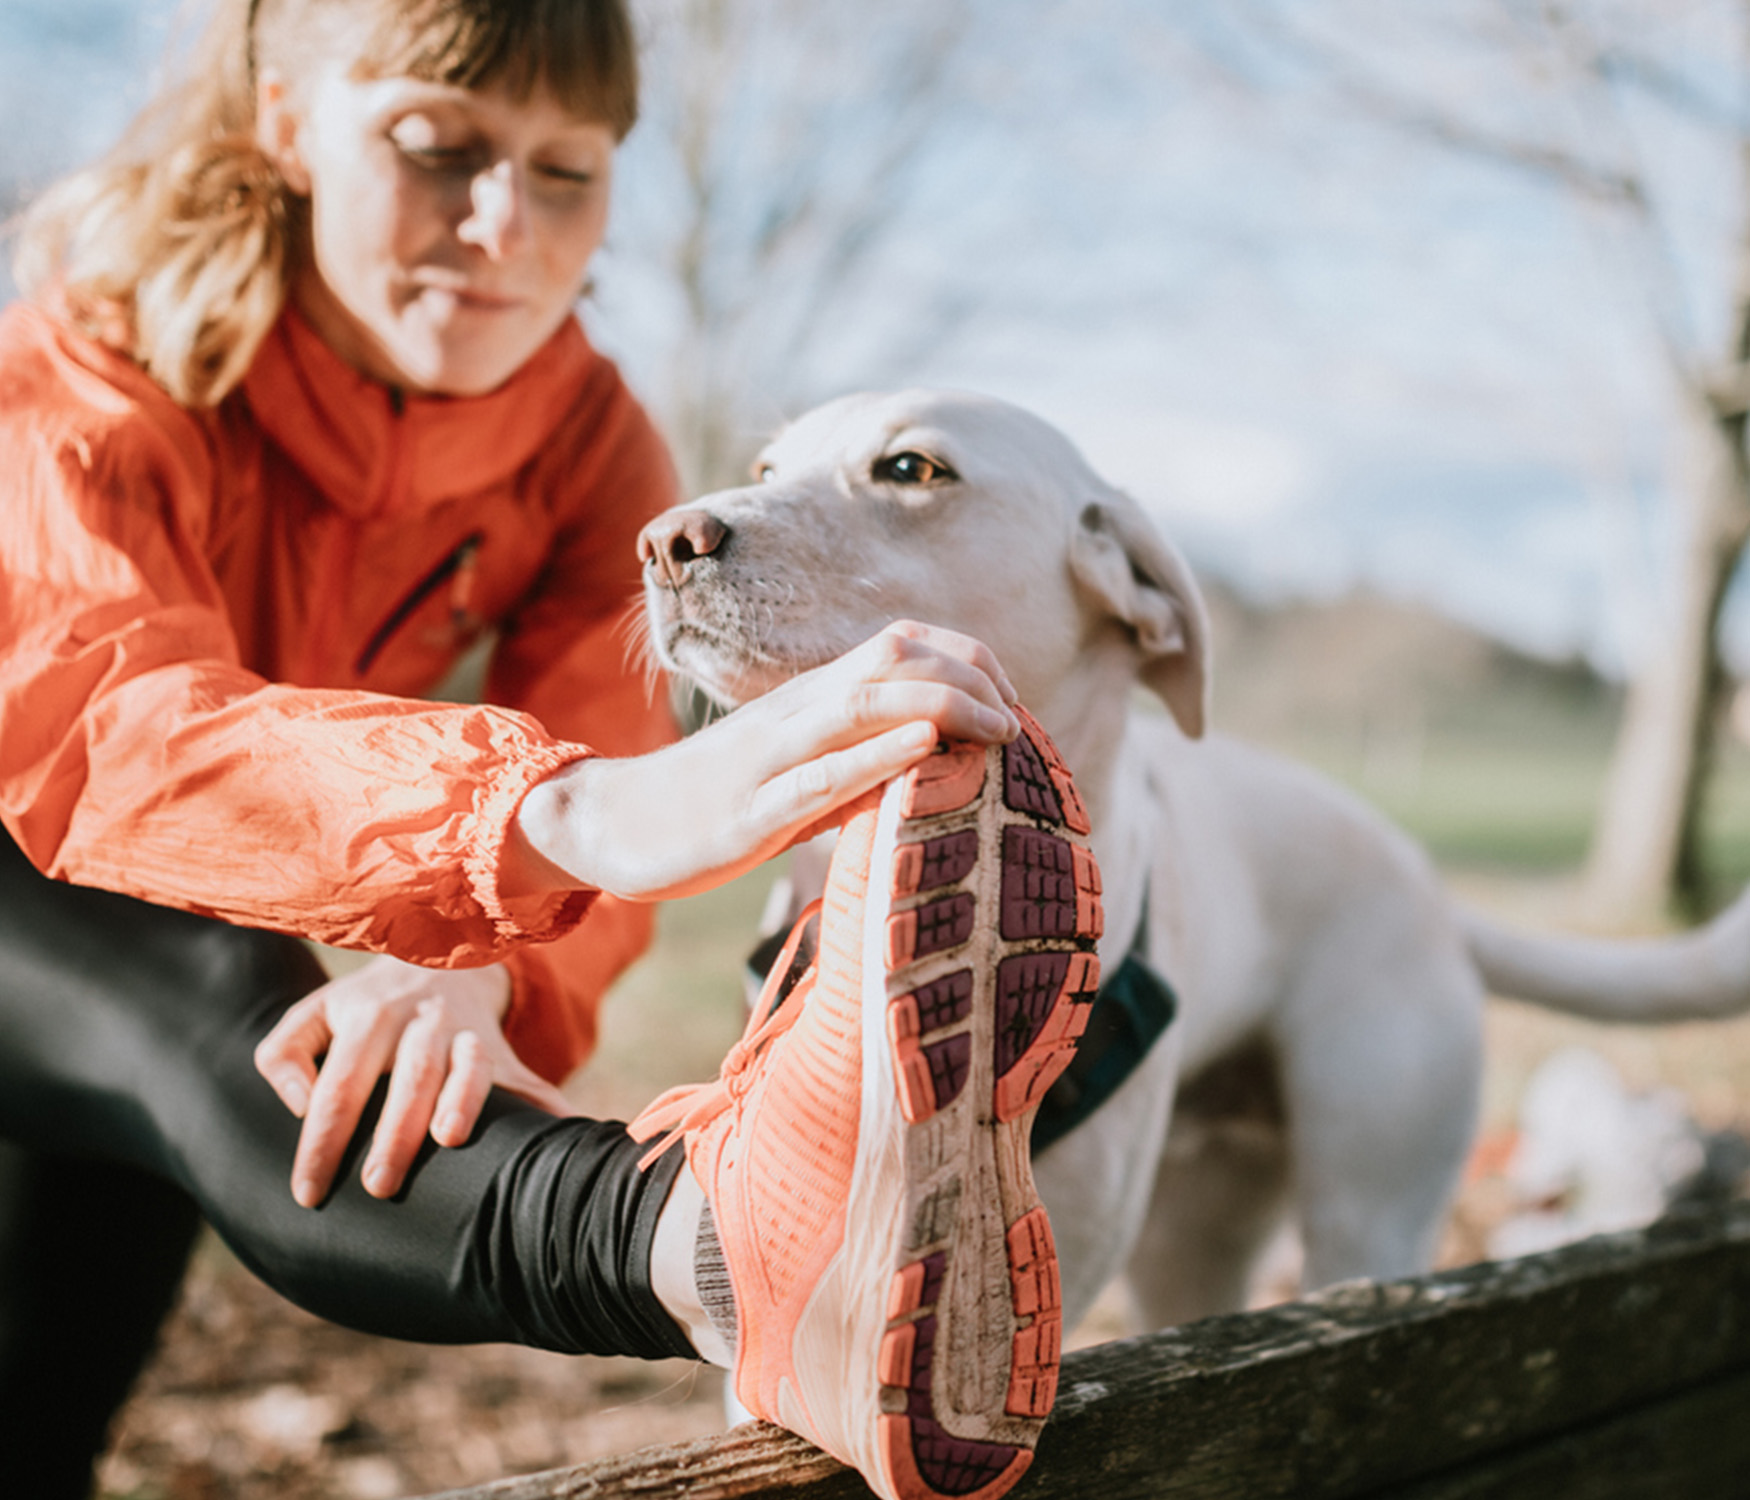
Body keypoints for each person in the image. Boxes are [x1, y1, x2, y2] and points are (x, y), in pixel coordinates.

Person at [0, 3, 1092, 1500]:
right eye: (435, 148)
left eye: (564, 171)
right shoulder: (91, 353)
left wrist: (482, 959)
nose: (499, 222)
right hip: (48, 864)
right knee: (205, 1002)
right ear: (281, 124)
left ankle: (770, 1260)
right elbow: (102, 726)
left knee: (45, 1381)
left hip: (169, 915)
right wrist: (545, 819)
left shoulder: (591, 449)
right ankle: (720, 1236)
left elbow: (597, 761)